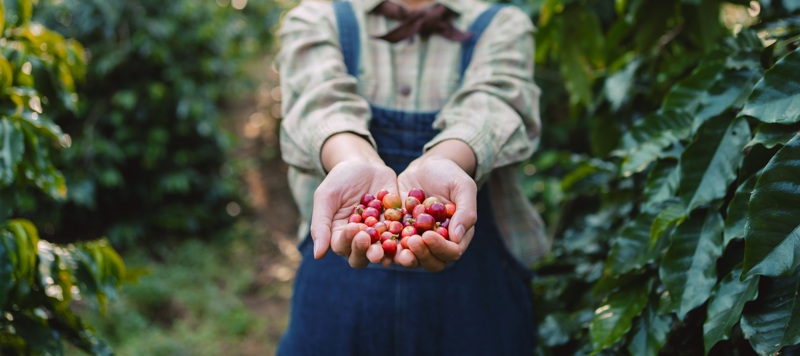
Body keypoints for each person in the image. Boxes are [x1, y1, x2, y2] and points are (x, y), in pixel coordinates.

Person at [275, 0, 549, 354]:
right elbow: (318, 102)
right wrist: (351, 159)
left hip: (476, 299)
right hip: (336, 299)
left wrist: (448, 159)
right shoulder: (318, 18)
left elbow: (494, 104)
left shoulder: (501, 24)